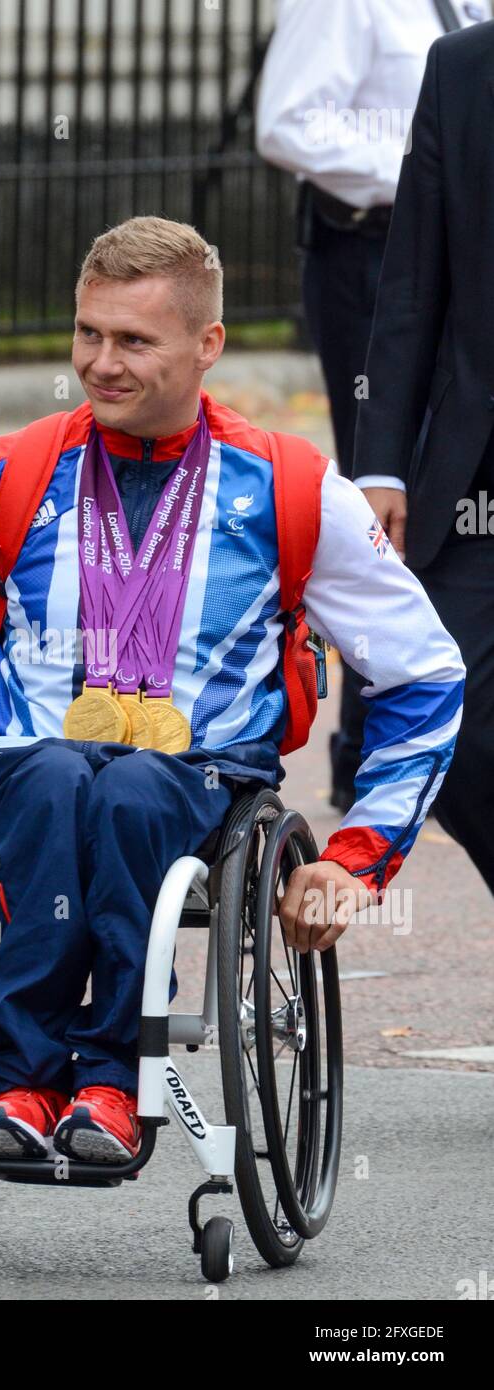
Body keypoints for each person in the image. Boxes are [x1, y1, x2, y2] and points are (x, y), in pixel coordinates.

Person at [0, 217, 464, 1165]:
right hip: (25, 768)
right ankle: (16, 1084)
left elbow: (422, 672)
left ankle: (108, 1082)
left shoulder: (292, 486)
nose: (101, 363)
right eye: (88, 334)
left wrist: (355, 855)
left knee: (128, 788)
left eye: (133, 340)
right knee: (55, 777)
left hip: (199, 778)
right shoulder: (10, 472)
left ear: (207, 345)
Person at [256, 0, 489, 813]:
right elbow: (287, 124)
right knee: (389, 508)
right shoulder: (367, 12)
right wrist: (432, 170)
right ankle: (366, 747)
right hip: (370, 250)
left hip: (435, 249)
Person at [353, 20, 494, 893]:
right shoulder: (460, 68)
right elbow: (411, 282)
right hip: (471, 479)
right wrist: (380, 465)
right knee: (453, 729)